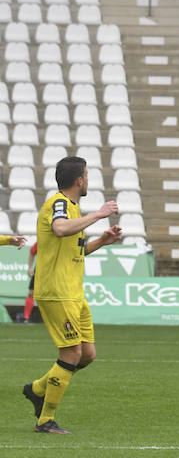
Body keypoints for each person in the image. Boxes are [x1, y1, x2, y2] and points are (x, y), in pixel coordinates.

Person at [22, 156, 123, 434]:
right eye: (87, 176)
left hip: (74, 293)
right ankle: (45, 420)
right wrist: (98, 214)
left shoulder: (73, 209)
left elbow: (75, 250)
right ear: (79, 180)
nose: (88, 180)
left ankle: (39, 389)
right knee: (71, 352)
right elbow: (59, 228)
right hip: (57, 292)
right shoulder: (59, 204)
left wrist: (102, 240)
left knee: (86, 355)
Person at [25, 242, 37, 323]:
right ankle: (26, 318)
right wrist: (30, 268)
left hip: (56, 270)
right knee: (31, 292)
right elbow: (32, 252)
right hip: (40, 269)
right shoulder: (42, 241)